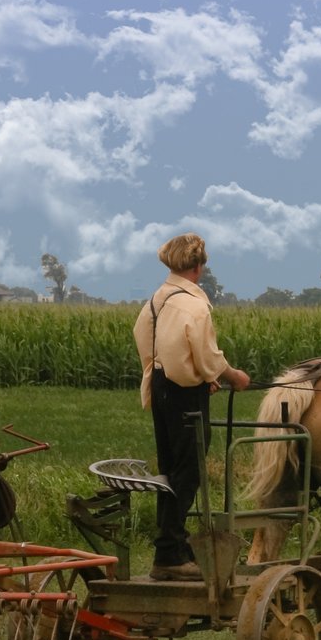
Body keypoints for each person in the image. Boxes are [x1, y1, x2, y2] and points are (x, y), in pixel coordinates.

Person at [132, 233, 250, 581]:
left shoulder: (157, 299)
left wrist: (190, 373)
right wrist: (229, 376)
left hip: (160, 386)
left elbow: (146, 339)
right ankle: (170, 553)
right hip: (185, 397)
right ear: (199, 266)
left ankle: (173, 548)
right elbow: (207, 353)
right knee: (190, 471)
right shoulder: (195, 305)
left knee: (169, 470)